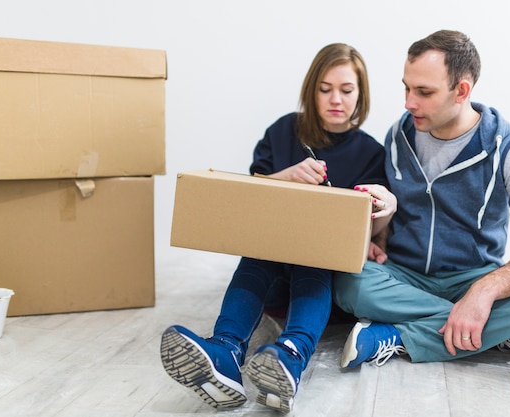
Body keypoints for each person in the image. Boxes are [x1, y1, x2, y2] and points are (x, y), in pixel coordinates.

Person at [160, 43, 390, 412]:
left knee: (312, 255)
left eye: (347, 90)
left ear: (360, 95)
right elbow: (251, 200)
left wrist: (369, 235)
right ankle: (226, 350)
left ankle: (291, 355)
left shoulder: (371, 153)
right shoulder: (283, 132)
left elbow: (375, 227)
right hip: (269, 275)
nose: (336, 99)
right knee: (260, 249)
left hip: (320, 280)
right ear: (311, 89)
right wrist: (287, 176)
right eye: (325, 88)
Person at [332, 29, 510, 367]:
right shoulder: (398, 135)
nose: (409, 102)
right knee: (347, 280)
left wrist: (484, 292)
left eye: (424, 92)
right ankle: (498, 333)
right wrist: (376, 235)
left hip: (472, 277)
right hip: (406, 277)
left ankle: (399, 337)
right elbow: (390, 219)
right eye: (406, 88)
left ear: (461, 90)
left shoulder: (505, 146)